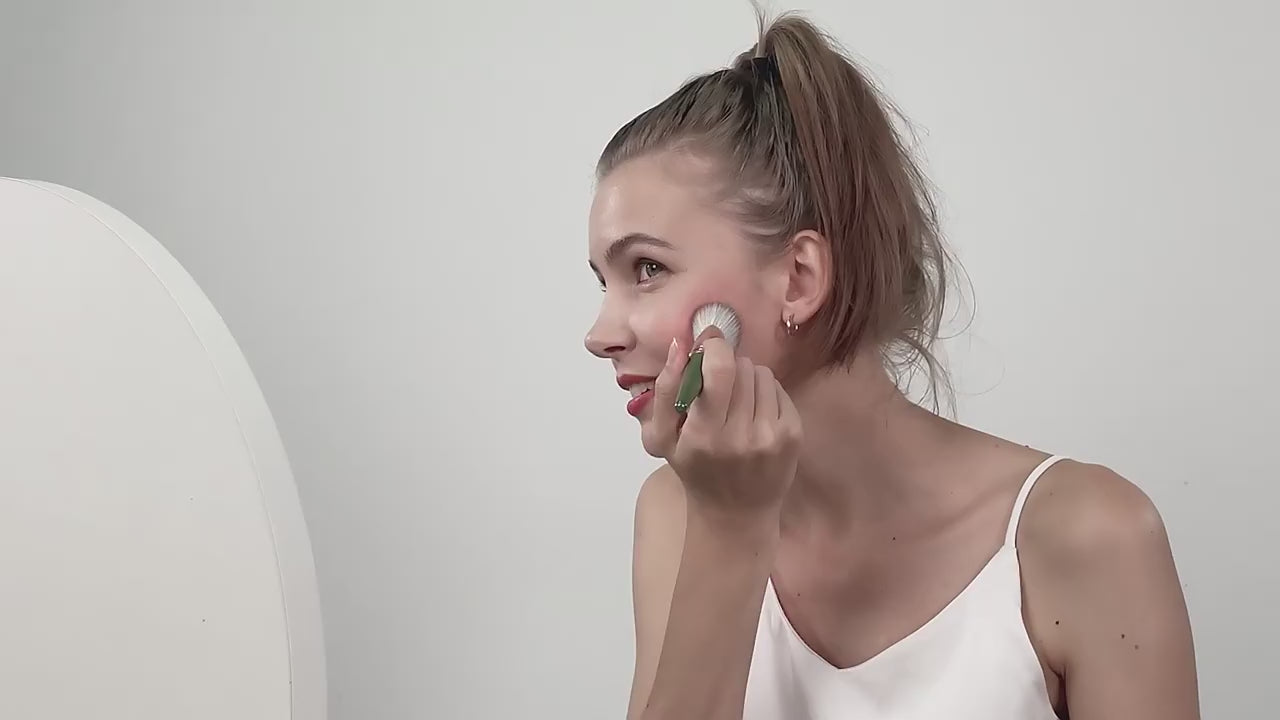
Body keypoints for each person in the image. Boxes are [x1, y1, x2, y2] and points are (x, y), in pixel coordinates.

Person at [583, 9, 1199, 720]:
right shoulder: (675, 514)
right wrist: (728, 531)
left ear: (799, 278)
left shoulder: (1089, 535)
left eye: (648, 268)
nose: (599, 335)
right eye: (603, 281)